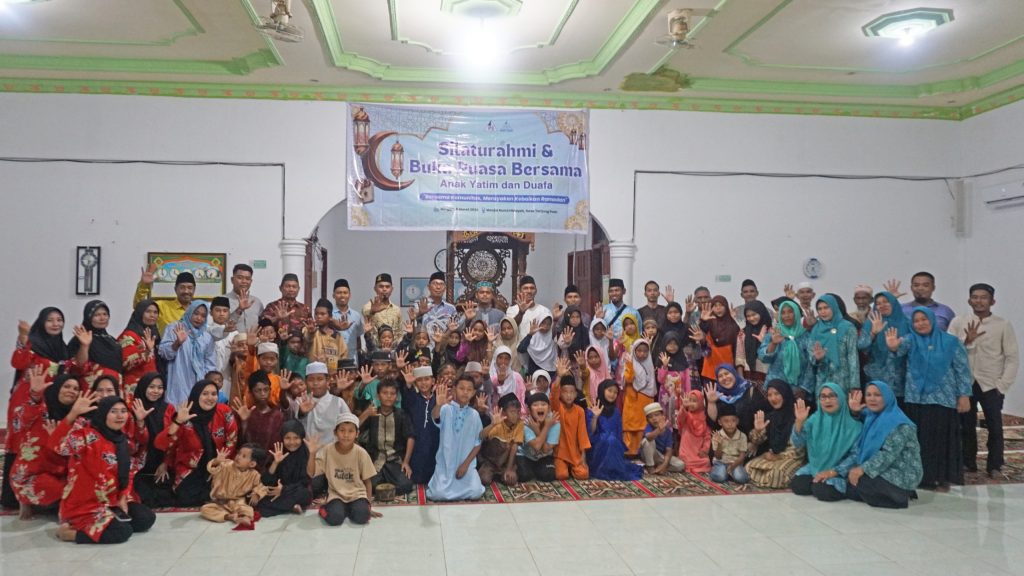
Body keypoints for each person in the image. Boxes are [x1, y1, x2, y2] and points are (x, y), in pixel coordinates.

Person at [887, 307, 971, 491]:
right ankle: (921, 477)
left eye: (924, 319)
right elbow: (896, 355)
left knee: (940, 440)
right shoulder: (910, 340)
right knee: (920, 440)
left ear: (932, 320)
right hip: (916, 399)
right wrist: (893, 347)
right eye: (916, 321)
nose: (920, 324)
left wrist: (964, 395)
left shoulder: (951, 342)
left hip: (943, 399)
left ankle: (941, 477)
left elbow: (962, 369)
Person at [53, 396, 157, 544]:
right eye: (113, 411)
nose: (120, 416)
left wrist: (123, 497)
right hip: (87, 505)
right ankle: (70, 534)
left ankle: (108, 523)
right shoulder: (88, 436)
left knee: (146, 519)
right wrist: (72, 415)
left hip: (113, 501)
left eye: (123, 411)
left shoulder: (122, 441)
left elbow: (128, 473)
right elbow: (59, 447)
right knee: (122, 532)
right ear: (103, 414)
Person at [949, 283, 1019, 477]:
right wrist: (967, 341)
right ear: (969, 300)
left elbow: (1012, 357)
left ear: (992, 301)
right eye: (975, 297)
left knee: (995, 427)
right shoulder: (958, 322)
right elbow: (948, 351)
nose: (979, 301)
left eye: (983, 297)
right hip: (965, 383)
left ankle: (995, 465)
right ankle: (968, 462)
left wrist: (1002, 385)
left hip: (991, 384)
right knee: (966, 425)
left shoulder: (1002, 325)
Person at [6, 309, 70, 509]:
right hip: (27, 402)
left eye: (59, 320)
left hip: (49, 403)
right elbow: (18, 362)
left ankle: (38, 492)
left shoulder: (62, 348)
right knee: (21, 446)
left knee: (42, 446)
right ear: (41, 323)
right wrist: (23, 338)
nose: (55, 324)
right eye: (50, 320)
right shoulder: (32, 344)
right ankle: (14, 498)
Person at [8, 372, 85, 519]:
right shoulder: (41, 409)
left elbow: (76, 450)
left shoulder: (78, 419)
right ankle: (27, 501)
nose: (71, 391)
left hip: (59, 473)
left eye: (76, 389)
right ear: (56, 388)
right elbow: (22, 419)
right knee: (67, 491)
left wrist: (60, 434)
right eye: (66, 386)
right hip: (29, 476)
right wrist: (35, 395)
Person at [153, 379, 238, 506]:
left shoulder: (224, 411)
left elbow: (232, 440)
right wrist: (177, 422)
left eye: (214, 394)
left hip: (220, 467)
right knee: (186, 499)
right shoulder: (185, 416)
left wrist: (218, 464)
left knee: (228, 492)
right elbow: (160, 444)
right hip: (191, 469)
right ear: (196, 395)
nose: (210, 398)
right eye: (205, 394)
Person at [847, 381, 922, 508]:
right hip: (886, 468)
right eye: (869, 395)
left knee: (860, 483)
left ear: (887, 397)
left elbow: (887, 455)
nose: (872, 399)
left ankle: (900, 496)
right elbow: (861, 415)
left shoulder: (900, 424)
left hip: (902, 472)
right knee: (851, 483)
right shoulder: (873, 416)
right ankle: (896, 492)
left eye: (877, 395)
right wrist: (855, 411)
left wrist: (862, 469)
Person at [790, 383, 862, 501]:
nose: (827, 400)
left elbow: (855, 456)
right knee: (798, 485)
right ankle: (818, 480)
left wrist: (833, 472)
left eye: (832, 396)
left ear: (841, 398)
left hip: (839, 471)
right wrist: (799, 422)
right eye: (823, 397)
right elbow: (797, 443)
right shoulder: (814, 419)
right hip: (815, 467)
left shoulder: (854, 427)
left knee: (823, 491)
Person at [309, 413, 378, 525]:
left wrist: (368, 505)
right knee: (335, 519)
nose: (346, 435)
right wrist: (312, 454)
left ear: (357, 433)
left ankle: (348, 509)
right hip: (336, 495)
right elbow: (311, 473)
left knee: (362, 517)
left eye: (350, 431)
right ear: (335, 432)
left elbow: (367, 481)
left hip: (357, 494)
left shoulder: (361, 453)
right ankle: (326, 508)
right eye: (342, 430)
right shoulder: (327, 450)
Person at [427, 375, 486, 501]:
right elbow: (435, 417)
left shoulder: (474, 415)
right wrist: (438, 405)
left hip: (466, 466)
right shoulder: (445, 408)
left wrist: (465, 465)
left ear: (473, 392)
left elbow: (478, 443)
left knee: (476, 492)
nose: (465, 392)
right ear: (454, 389)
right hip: (446, 465)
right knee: (438, 494)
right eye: (462, 388)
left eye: (469, 389)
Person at [358, 378, 415, 496]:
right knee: (367, 485)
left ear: (397, 397)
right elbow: (354, 428)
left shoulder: (401, 414)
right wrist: (366, 413)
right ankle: (382, 480)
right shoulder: (372, 413)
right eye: (385, 393)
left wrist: (406, 462)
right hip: (375, 459)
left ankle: (386, 480)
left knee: (406, 485)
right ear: (378, 396)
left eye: (392, 393)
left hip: (394, 459)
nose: (388, 396)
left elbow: (411, 437)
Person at [745, 381, 805, 489]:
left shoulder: (798, 416)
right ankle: (766, 480)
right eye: (769, 395)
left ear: (785, 394)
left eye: (777, 394)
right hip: (772, 456)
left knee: (777, 474)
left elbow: (799, 450)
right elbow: (756, 440)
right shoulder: (771, 417)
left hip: (792, 458)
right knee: (748, 467)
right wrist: (758, 430)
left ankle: (765, 480)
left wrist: (778, 457)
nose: (773, 398)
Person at [159, 301, 217, 406]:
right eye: (196, 313)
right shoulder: (175, 328)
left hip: (199, 385)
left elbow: (210, 365)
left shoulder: (206, 337)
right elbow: (163, 353)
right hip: (178, 381)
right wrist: (177, 343)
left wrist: (205, 385)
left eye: (203, 316)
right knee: (177, 411)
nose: (199, 318)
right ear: (189, 311)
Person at [132, 373, 175, 508]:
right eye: (151, 387)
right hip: (139, 465)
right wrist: (140, 422)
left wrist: (165, 463)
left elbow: (173, 439)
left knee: (167, 497)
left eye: (160, 387)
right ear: (143, 387)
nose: (156, 391)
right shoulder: (133, 407)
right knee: (143, 499)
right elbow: (137, 441)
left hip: (162, 462)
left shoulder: (168, 408)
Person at [199, 444, 267, 528]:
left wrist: (257, 494)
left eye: (244, 456)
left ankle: (244, 518)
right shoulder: (226, 465)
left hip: (237, 502)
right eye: (238, 453)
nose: (238, 457)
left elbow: (260, 486)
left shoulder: (254, 475)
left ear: (252, 464)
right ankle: (229, 516)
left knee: (247, 509)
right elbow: (213, 469)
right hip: (220, 502)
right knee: (205, 509)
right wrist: (217, 461)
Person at [587, 380, 642, 481]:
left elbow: (619, 433)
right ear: (602, 390)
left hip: (614, 444)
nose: (612, 394)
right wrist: (595, 417)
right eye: (610, 390)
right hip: (597, 445)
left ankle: (614, 467)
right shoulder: (594, 407)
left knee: (612, 440)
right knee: (609, 439)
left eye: (615, 392)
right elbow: (590, 432)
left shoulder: (616, 411)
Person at [859, 292, 910, 400]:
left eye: (886, 302)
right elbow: (862, 346)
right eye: (878, 303)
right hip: (876, 374)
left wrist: (897, 345)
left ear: (893, 303)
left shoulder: (907, 322)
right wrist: (873, 334)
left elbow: (913, 343)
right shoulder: (870, 322)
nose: (882, 305)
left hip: (901, 376)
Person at [758, 300, 813, 397]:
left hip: (799, 390)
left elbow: (811, 364)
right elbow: (763, 358)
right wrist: (773, 343)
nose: (786, 315)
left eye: (790, 312)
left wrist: (804, 388)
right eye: (783, 313)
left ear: (797, 313)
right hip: (775, 389)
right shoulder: (774, 333)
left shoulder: (806, 335)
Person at [259, 420, 313, 517]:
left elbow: (306, 481)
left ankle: (286, 506)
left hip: (295, 491)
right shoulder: (278, 451)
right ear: (282, 438)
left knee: (305, 495)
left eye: (296, 438)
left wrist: (284, 490)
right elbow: (266, 481)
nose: (292, 442)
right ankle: (291, 507)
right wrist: (275, 462)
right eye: (287, 438)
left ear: (302, 438)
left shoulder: (305, 453)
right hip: (278, 491)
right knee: (260, 501)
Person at [808, 294, 860, 394]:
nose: (823, 311)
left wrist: (855, 385)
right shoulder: (816, 329)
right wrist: (818, 359)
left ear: (834, 307)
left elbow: (853, 356)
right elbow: (811, 355)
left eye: (826, 308)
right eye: (819, 309)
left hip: (843, 379)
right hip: (822, 379)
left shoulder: (847, 327)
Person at [296, 362, 352, 446]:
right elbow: (295, 426)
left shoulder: (339, 402)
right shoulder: (300, 401)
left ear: (328, 381)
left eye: (320, 379)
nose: (315, 383)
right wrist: (302, 412)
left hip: (333, 450)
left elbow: (349, 425)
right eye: (311, 380)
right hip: (309, 450)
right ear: (306, 382)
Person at [704, 364, 768, 436]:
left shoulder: (750, 391)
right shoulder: (716, 395)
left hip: (750, 439)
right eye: (720, 376)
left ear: (734, 373)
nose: (724, 378)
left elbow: (763, 416)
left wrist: (756, 436)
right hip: (726, 441)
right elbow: (713, 423)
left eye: (726, 373)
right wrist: (711, 403)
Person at [402, 365, 440, 484]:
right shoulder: (414, 398)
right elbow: (406, 399)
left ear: (433, 381)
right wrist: (408, 385)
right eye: (419, 380)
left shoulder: (438, 398)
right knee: (417, 478)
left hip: (435, 442)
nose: (423, 383)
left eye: (426, 379)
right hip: (417, 443)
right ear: (415, 383)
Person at [67, 300, 123, 381]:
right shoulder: (79, 339)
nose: (102, 318)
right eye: (97, 315)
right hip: (91, 385)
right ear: (88, 317)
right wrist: (84, 346)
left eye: (105, 314)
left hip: (114, 384)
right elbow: (78, 366)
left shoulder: (112, 340)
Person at [477, 393, 524, 486]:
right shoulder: (498, 424)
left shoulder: (520, 424)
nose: (516, 415)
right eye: (512, 412)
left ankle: (501, 474)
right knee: (484, 480)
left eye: (518, 412)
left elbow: (514, 447)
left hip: (506, 462)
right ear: (503, 412)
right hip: (491, 461)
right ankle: (493, 473)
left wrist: (509, 469)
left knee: (511, 481)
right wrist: (492, 425)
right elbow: (481, 436)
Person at [133, 266, 195, 334]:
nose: (186, 291)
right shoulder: (162, 306)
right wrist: (144, 285)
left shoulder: (199, 309)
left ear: (194, 290)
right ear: (175, 289)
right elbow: (139, 307)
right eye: (182, 287)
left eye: (190, 288)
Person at [886, 272, 956, 332]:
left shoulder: (945, 311)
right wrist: (889, 301)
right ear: (911, 288)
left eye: (925, 285)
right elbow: (885, 326)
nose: (920, 288)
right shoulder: (901, 309)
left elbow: (954, 335)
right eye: (916, 285)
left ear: (933, 288)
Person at [621, 339, 657, 456]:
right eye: (639, 351)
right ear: (634, 351)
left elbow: (651, 386)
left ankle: (642, 454)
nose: (642, 354)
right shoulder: (629, 362)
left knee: (643, 427)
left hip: (646, 401)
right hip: (632, 399)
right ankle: (630, 452)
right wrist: (629, 365)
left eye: (645, 351)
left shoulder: (649, 364)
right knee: (631, 426)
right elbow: (628, 379)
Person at [233, 370, 284, 451]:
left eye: (266, 389)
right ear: (250, 392)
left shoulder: (277, 415)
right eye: (258, 390)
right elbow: (239, 444)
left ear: (270, 390)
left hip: (272, 458)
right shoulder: (245, 413)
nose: (263, 394)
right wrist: (244, 422)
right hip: (249, 458)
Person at [694, 296, 740, 383]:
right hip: (711, 365)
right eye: (715, 306)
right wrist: (703, 320)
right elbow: (702, 334)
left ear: (726, 307)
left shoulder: (733, 324)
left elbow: (738, 345)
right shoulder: (709, 322)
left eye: (721, 305)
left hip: (728, 364)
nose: (718, 308)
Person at [118, 299, 160, 395]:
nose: (152, 315)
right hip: (135, 386)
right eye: (148, 311)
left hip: (152, 386)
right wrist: (145, 352)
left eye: (155, 312)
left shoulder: (154, 334)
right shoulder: (128, 336)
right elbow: (125, 363)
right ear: (140, 313)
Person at [517, 392, 560, 482]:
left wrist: (541, 429)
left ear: (549, 408)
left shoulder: (555, 423)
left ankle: (537, 469)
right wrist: (545, 427)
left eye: (543, 404)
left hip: (544, 456)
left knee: (548, 476)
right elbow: (537, 446)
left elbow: (545, 449)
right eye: (535, 405)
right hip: (526, 455)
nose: (540, 407)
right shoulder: (526, 423)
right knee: (524, 476)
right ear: (529, 410)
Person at [553, 379, 590, 480]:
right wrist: (559, 376)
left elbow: (582, 434)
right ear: (560, 394)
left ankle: (571, 468)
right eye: (565, 392)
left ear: (575, 394)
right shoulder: (558, 408)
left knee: (583, 474)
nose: (569, 395)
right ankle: (565, 467)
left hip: (575, 453)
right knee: (561, 475)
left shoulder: (580, 411)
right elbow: (553, 396)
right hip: (560, 452)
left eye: (571, 392)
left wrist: (583, 456)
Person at [709, 403, 750, 485]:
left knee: (741, 478)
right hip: (721, 462)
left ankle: (729, 473)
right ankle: (723, 472)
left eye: (733, 421)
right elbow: (718, 456)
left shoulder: (742, 436)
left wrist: (733, 466)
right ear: (720, 422)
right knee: (720, 477)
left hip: (736, 462)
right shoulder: (717, 435)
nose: (730, 424)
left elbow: (742, 456)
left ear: (737, 421)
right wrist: (719, 444)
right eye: (726, 421)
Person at [307, 298, 349, 373]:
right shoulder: (310, 331)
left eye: (322, 314)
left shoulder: (337, 336)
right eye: (316, 314)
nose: (318, 316)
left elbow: (344, 357)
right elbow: (307, 339)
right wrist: (311, 333)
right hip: (315, 375)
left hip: (334, 375)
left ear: (330, 316)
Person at [207, 296, 238, 398]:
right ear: (211, 312)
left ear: (229, 313)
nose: (221, 313)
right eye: (218, 310)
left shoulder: (235, 334)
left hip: (227, 377)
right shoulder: (206, 330)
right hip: (208, 376)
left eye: (225, 311)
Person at [330, 278, 365, 368]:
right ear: (333, 295)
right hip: (333, 358)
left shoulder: (356, 316)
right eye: (339, 293)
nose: (342, 295)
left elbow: (358, 338)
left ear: (350, 295)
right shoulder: (329, 315)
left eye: (345, 293)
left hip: (352, 358)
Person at [641, 403, 685, 474]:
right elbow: (649, 438)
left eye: (657, 415)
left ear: (663, 416)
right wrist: (659, 430)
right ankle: (650, 467)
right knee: (646, 441)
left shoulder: (668, 431)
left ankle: (660, 468)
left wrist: (665, 464)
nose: (654, 418)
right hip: (648, 456)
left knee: (680, 465)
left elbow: (669, 450)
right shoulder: (648, 427)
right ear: (648, 420)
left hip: (660, 457)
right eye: (650, 417)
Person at [507, 275, 552, 343]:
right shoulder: (512, 310)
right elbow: (510, 328)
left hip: (540, 349)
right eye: (525, 288)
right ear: (519, 291)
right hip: (519, 348)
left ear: (536, 290)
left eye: (532, 288)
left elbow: (549, 333)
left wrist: (556, 320)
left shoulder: (545, 311)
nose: (529, 291)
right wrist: (521, 313)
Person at [736, 300, 772, 384]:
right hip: (749, 377)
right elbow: (740, 357)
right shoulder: (743, 334)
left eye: (754, 314)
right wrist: (741, 379)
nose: (751, 318)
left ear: (761, 313)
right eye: (748, 316)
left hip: (769, 376)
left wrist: (764, 342)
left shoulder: (771, 332)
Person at [676, 391, 711, 474]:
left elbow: (707, 436)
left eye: (694, 401)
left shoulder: (704, 418)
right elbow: (680, 419)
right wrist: (683, 407)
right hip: (686, 451)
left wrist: (704, 449)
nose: (691, 403)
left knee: (706, 461)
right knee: (684, 462)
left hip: (698, 451)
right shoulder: (686, 415)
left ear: (701, 403)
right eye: (689, 400)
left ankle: (694, 466)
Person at [362, 273, 404, 342]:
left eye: (387, 287)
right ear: (375, 289)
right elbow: (365, 312)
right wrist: (372, 311)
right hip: (374, 347)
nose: (384, 289)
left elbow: (400, 333)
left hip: (393, 347)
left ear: (392, 289)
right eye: (381, 286)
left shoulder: (396, 309)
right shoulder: (369, 306)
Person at [224, 264, 264, 333]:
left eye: (247, 279)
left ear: (251, 281)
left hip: (253, 340)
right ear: (232, 280)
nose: (244, 281)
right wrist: (239, 309)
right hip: (230, 340)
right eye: (240, 278)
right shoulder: (222, 300)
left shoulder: (256, 302)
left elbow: (262, 324)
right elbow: (220, 325)